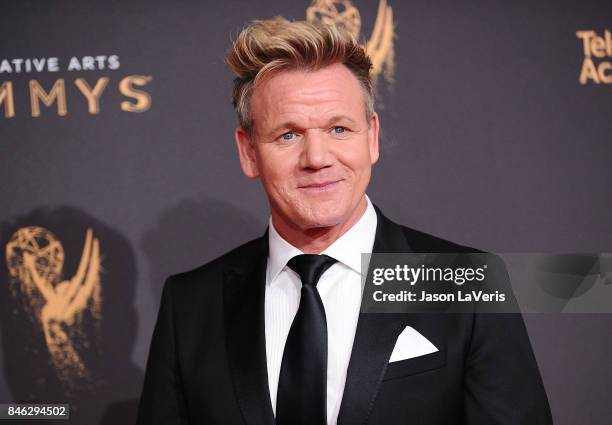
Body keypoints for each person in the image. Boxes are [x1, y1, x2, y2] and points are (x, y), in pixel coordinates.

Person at [136, 17, 552, 425]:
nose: (317, 158)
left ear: (371, 138)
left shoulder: (463, 283)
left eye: (338, 129)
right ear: (248, 152)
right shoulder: (191, 304)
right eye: (288, 135)